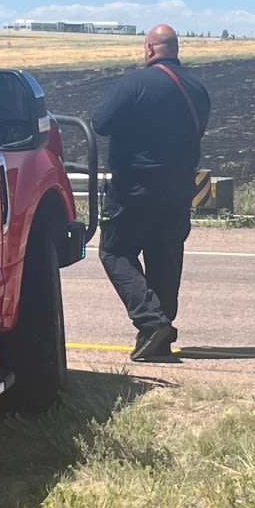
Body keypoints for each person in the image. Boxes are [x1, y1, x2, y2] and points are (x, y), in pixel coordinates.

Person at [92, 23, 211, 361]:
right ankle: (158, 336)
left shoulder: (135, 83)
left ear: (149, 49)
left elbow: (100, 122)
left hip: (134, 188)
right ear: (175, 49)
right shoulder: (197, 88)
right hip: (179, 188)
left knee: (114, 253)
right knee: (165, 258)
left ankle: (152, 321)